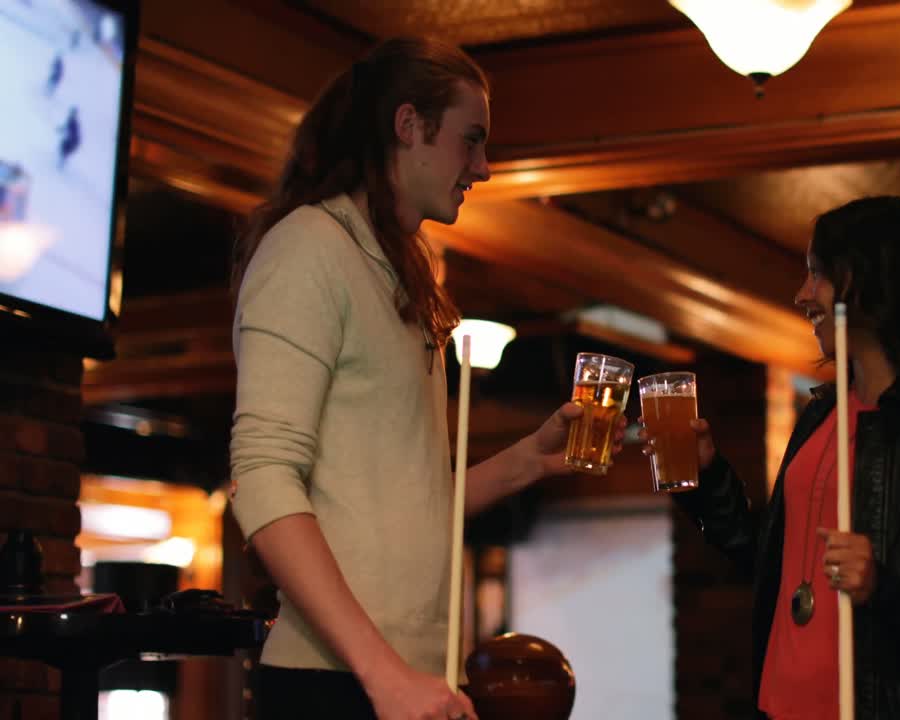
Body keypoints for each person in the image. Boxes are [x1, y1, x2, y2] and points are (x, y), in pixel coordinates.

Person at [228, 37, 614, 720]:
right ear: (408, 126)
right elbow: (260, 477)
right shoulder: (309, 247)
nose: (485, 167)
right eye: (471, 141)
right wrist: (384, 676)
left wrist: (529, 460)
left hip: (396, 678)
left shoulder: (397, 270)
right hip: (336, 683)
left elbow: (407, 503)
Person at [656, 196, 900, 719]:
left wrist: (885, 585)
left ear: (868, 279)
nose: (802, 295)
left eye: (817, 275)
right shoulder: (822, 412)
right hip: (782, 706)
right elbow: (772, 561)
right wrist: (707, 477)